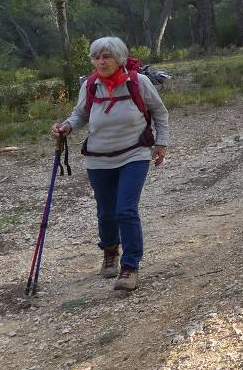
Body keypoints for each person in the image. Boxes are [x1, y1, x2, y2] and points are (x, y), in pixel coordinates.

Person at [50, 37, 169, 292]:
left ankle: (130, 267)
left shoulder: (139, 82)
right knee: (106, 212)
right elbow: (80, 114)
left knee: (125, 209)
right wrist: (67, 127)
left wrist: (162, 143)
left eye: (106, 56)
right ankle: (110, 251)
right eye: (96, 57)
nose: (100, 62)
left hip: (134, 154)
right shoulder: (91, 85)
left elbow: (160, 112)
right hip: (98, 157)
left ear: (120, 59)